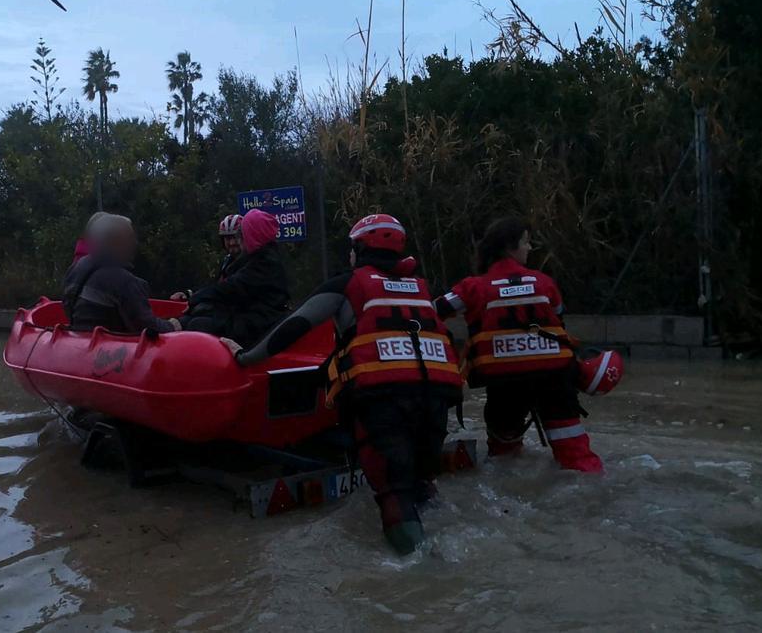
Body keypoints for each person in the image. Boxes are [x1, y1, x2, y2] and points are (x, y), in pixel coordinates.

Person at [222, 214, 462, 555]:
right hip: (437, 399)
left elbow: (293, 327)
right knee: (421, 483)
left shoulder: (349, 284)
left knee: (393, 494)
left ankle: (423, 572)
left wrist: (245, 357)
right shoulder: (420, 288)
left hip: (384, 400)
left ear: (359, 248)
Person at [434, 217, 603, 473]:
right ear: (510, 247)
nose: (530, 247)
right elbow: (559, 321)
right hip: (555, 380)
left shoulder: (472, 287)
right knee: (576, 456)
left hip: (504, 384)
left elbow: (431, 312)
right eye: (526, 242)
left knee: (504, 457)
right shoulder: (545, 283)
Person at [171, 209, 290, 348]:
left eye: (241, 235)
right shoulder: (257, 258)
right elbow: (220, 285)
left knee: (198, 324)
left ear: (253, 235)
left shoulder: (264, 263)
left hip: (258, 324)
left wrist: (197, 300)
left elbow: (230, 288)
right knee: (194, 319)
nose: (236, 241)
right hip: (250, 317)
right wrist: (193, 297)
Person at [63, 213, 181, 334]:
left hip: (82, 342)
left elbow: (68, 308)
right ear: (112, 241)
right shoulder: (125, 282)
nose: (135, 243)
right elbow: (147, 328)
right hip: (111, 348)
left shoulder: (75, 270)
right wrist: (174, 325)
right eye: (129, 238)